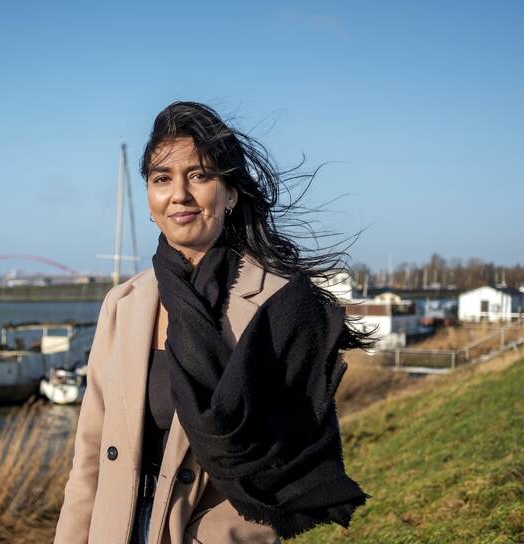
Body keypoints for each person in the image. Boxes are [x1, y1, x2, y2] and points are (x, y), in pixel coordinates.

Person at [54, 102, 374, 544]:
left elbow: (291, 459)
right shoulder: (124, 303)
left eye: (200, 175)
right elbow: (89, 454)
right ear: (149, 197)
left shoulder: (280, 303)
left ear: (231, 192)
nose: (179, 194)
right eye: (161, 178)